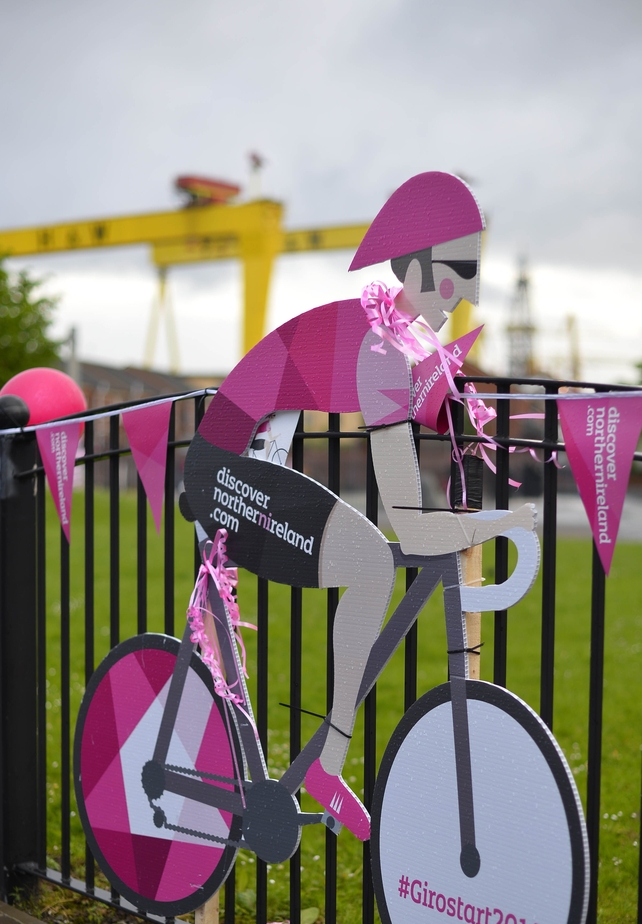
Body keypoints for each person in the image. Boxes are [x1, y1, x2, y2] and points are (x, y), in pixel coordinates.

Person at [182, 172, 536, 840]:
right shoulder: (382, 351)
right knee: (374, 560)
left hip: (244, 456)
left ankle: (323, 767)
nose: (470, 293)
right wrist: (502, 522)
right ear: (417, 269)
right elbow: (410, 524)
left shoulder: (401, 340)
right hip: (221, 469)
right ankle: (326, 768)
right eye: (459, 274)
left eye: (474, 274)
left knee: (373, 561)